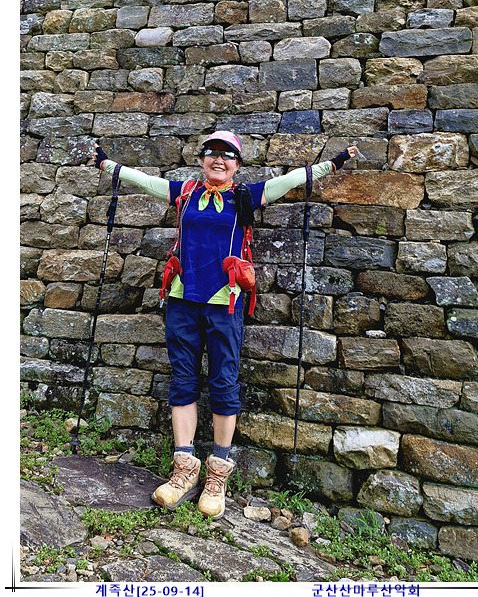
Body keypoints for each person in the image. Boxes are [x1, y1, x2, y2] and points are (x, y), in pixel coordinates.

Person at [93, 132, 356, 519]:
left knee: (223, 380)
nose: (219, 160)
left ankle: (217, 474)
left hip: (225, 302)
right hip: (182, 298)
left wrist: (332, 163)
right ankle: (184, 470)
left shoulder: (245, 196)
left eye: (227, 155)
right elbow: (144, 180)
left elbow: (291, 180)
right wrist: (108, 165)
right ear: (202, 160)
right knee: (183, 378)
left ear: (237, 164)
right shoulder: (185, 192)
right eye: (212, 153)